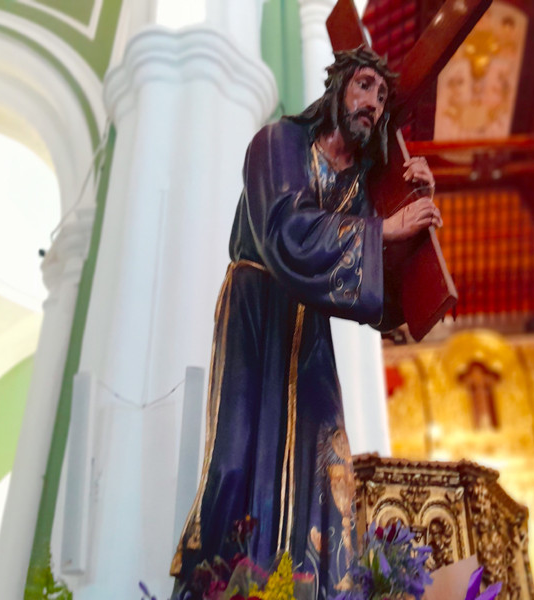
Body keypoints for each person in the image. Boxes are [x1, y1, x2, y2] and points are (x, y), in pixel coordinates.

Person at [170, 46, 441, 599]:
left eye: (382, 97)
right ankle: (226, 584)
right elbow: (284, 234)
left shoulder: (359, 192)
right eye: (364, 86)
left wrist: (413, 207)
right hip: (257, 309)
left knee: (324, 462)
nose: (372, 103)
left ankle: (308, 586)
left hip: (309, 335)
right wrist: (383, 230)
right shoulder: (278, 144)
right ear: (337, 89)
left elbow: (385, 304)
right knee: (238, 457)